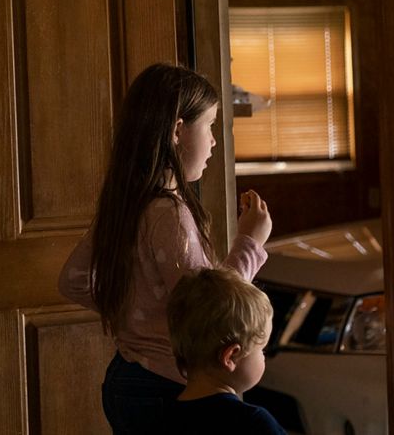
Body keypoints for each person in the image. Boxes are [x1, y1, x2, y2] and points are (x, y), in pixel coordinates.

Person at [57, 63, 273, 435]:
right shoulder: (168, 213)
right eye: (209, 126)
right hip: (166, 384)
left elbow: (73, 282)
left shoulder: (126, 204)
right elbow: (215, 311)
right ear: (177, 130)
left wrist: (134, 316)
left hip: (124, 379)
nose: (214, 141)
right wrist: (249, 243)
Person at [163, 267, 287, 434]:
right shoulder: (253, 423)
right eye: (261, 350)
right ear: (231, 356)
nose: (263, 358)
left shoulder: (161, 419)